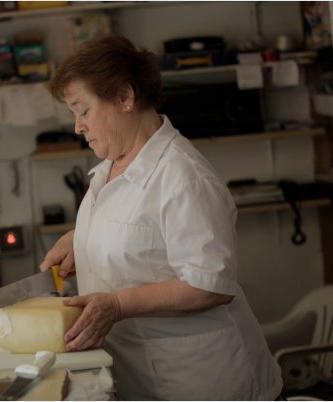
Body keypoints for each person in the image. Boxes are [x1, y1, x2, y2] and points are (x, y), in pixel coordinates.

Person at [40, 33, 282, 400]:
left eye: (83, 110)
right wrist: (82, 238)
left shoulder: (184, 177)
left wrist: (118, 305)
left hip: (203, 381)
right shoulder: (111, 166)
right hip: (142, 375)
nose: (77, 127)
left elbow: (210, 285)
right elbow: (140, 227)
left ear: (125, 96)